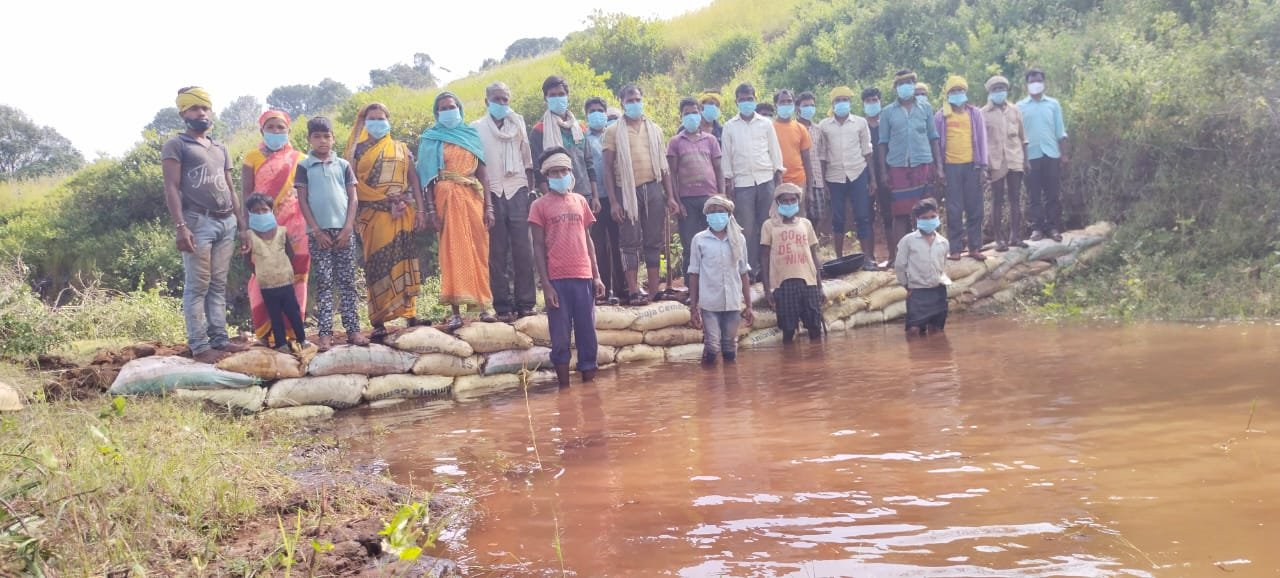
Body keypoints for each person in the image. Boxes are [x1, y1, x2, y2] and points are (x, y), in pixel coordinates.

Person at [161, 87, 249, 363]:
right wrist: (180, 226)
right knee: (198, 285)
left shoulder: (220, 147)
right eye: (195, 109)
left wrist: (242, 224)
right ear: (183, 113)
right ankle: (199, 346)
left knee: (218, 284)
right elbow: (171, 187)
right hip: (198, 221)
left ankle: (220, 340)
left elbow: (230, 187)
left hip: (226, 222)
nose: (202, 113)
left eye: (205, 108)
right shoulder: (177, 145)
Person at [345, 103, 427, 343]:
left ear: (388, 121)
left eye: (381, 118)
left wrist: (420, 209)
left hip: (401, 213)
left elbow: (413, 179)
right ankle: (378, 321)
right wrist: (383, 200)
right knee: (377, 263)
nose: (377, 122)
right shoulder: (355, 152)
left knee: (405, 260)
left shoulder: (400, 148)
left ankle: (410, 314)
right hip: (373, 215)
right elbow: (352, 185)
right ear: (364, 122)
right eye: (372, 118)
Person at [418, 92, 500, 330]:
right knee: (451, 253)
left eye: (451, 106)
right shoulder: (431, 139)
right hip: (445, 200)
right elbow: (427, 179)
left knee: (479, 251)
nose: (448, 111)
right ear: (436, 112)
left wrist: (490, 206)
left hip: (473, 198)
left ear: (460, 108)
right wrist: (431, 210)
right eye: (443, 108)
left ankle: (485, 307)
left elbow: (483, 174)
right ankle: (455, 313)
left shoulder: (471, 135)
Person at [529, 148, 607, 387]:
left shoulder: (581, 201)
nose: (560, 175)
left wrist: (597, 276)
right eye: (555, 172)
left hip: (583, 276)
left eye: (564, 170)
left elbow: (588, 240)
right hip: (557, 280)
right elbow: (538, 247)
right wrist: (546, 285)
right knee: (560, 339)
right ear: (547, 176)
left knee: (588, 337)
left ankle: (589, 390)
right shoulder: (539, 206)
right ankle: (564, 389)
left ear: (571, 172)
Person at [296, 116, 367, 349]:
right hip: (319, 234)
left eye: (327, 136)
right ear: (309, 140)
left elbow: (353, 198)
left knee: (347, 282)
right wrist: (316, 230)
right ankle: (325, 334)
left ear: (333, 138)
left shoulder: (343, 165)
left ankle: (354, 331)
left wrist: (348, 227)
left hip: (344, 231)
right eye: (317, 137)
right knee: (325, 283)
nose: (322, 141)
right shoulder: (304, 167)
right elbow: (303, 201)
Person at [602, 84, 675, 305]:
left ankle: (654, 291)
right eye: (630, 100)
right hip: (627, 191)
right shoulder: (613, 131)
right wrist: (614, 202)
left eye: (638, 99)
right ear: (622, 102)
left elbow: (664, 167)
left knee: (654, 241)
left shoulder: (655, 129)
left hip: (653, 188)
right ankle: (633, 291)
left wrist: (669, 195)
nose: (635, 103)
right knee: (629, 242)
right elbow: (607, 168)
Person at [241, 110, 308, 346]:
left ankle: (295, 333)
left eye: (281, 127)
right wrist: (244, 229)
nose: (276, 132)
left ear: (288, 130)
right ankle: (265, 332)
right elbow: (246, 196)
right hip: (261, 226)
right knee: (260, 277)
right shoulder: (251, 158)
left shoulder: (301, 158)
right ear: (262, 130)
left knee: (297, 278)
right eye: (271, 127)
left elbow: (306, 194)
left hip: (296, 229)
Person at [473, 81, 537, 321]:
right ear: (486, 101)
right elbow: (477, 164)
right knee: (497, 252)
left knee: (524, 249)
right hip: (492, 191)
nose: (501, 104)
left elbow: (527, 159)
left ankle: (526, 303)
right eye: (497, 99)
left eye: (505, 100)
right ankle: (502, 305)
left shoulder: (517, 123)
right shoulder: (477, 127)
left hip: (518, 188)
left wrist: (530, 192)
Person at [879, 70, 943, 266]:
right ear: (896, 87)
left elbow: (933, 138)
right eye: (901, 83)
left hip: (923, 165)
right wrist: (883, 171)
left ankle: (930, 254)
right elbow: (882, 143)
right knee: (900, 214)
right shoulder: (888, 112)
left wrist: (939, 166)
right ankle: (903, 257)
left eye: (909, 82)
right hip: (898, 168)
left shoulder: (925, 108)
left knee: (927, 212)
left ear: (914, 84)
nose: (905, 86)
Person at [722, 82, 785, 279]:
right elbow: (727, 156)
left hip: (766, 179)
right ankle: (749, 269)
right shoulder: (729, 127)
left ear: (755, 99)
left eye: (750, 99)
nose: (746, 102)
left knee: (767, 224)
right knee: (747, 228)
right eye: (742, 100)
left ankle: (769, 269)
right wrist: (728, 181)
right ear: (736, 102)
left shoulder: (766, 124)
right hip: (742, 184)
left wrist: (779, 178)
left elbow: (774, 151)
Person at [688, 195, 753, 364]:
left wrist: (749, 305)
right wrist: (693, 307)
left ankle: (731, 385)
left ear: (729, 214)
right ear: (707, 215)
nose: (717, 215)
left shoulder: (739, 239)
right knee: (712, 346)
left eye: (721, 211)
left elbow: (743, 272)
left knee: (730, 347)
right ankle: (708, 384)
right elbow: (694, 274)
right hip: (710, 303)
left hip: (732, 301)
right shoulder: (700, 240)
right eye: (712, 212)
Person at [667, 97, 724, 288]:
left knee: (713, 242)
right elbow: (672, 174)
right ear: (681, 117)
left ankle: (713, 283)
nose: (691, 116)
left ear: (700, 114)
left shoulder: (711, 140)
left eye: (694, 112)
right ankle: (692, 287)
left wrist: (721, 196)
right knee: (690, 245)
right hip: (687, 200)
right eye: (687, 114)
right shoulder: (675, 142)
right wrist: (676, 200)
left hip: (710, 199)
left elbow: (718, 169)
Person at [818, 86, 876, 265]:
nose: (842, 103)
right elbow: (822, 155)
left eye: (845, 100)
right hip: (834, 177)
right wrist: (823, 182)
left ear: (850, 102)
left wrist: (872, 178)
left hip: (858, 173)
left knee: (862, 215)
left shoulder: (860, 123)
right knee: (838, 218)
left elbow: (867, 151)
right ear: (832, 104)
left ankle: (866, 257)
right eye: (838, 100)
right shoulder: (824, 126)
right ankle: (839, 257)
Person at [244, 193, 309, 353]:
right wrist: (260, 272)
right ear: (250, 214)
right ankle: (281, 344)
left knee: (293, 312)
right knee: (274, 315)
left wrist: (285, 268)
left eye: (264, 210)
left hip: (286, 281)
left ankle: (303, 340)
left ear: (271, 211)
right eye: (256, 211)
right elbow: (247, 261)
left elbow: (291, 254)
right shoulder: (249, 236)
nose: (260, 213)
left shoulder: (282, 232)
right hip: (267, 285)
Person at [761, 183, 824, 343]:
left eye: (792, 200)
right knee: (788, 330)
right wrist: (767, 290)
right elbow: (765, 258)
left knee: (815, 328)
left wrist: (820, 286)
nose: (789, 204)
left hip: (808, 283)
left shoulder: (806, 224)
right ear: (778, 203)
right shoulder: (769, 225)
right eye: (785, 201)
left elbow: (813, 255)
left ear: (798, 201)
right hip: (783, 284)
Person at [934, 75, 988, 261]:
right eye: (953, 91)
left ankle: (975, 247)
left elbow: (982, 140)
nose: (957, 94)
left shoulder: (975, 114)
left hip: (972, 166)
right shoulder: (941, 116)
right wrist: (939, 169)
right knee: (954, 209)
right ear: (948, 95)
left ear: (965, 92)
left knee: (975, 208)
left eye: (960, 90)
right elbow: (937, 144)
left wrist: (983, 168)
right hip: (951, 167)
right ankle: (955, 249)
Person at [530, 76, 600, 209]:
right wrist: (549, 200)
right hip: (556, 197)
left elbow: (589, 164)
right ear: (546, 98)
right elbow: (538, 170)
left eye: (561, 94)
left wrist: (595, 196)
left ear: (567, 96)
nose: (558, 98)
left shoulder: (580, 127)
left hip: (585, 195)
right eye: (553, 95)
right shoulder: (539, 130)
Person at [1018, 68, 1068, 242]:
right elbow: (1018, 135)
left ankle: (1053, 227)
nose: (1035, 84)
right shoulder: (1020, 107)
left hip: (1051, 153)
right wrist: (1021, 159)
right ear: (1027, 85)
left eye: (1038, 80)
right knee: (1034, 195)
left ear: (1044, 83)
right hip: (1031, 156)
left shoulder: (1053, 104)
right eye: (1032, 81)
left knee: (1052, 194)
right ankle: (1037, 228)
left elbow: (1060, 130)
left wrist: (1063, 155)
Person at [584, 97, 625, 303]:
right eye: (592, 111)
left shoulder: (616, 134)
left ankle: (622, 289)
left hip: (616, 197)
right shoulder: (583, 138)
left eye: (600, 110)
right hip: (596, 198)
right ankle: (604, 290)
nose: (597, 114)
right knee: (599, 246)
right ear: (586, 115)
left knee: (619, 243)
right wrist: (591, 196)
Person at [981, 75, 1028, 251]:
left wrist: (1026, 159)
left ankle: (1015, 236)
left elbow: (1023, 137)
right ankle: (999, 239)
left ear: (1007, 90)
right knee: (997, 199)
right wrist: (983, 165)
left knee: (1015, 198)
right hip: (995, 161)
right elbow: (981, 141)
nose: (999, 92)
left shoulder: (1015, 110)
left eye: (1002, 88)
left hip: (1015, 158)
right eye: (995, 89)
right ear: (990, 92)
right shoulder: (983, 113)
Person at [895, 198, 949, 336]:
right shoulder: (908, 241)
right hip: (917, 292)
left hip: (938, 292)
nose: (929, 220)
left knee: (937, 331)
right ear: (917, 220)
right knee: (913, 331)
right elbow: (900, 266)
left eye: (932, 217)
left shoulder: (943, 242)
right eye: (924, 218)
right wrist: (906, 286)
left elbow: (943, 267)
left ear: (938, 216)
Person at [862, 87, 893, 261]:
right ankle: (869, 258)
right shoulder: (860, 125)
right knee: (866, 215)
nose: (872, 103)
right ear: (863, 104)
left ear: (880, 101)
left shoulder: (887, 123)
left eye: (875, 100)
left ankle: (894, 255)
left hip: (888, 173)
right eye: (868, 101)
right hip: (865, 175)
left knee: (890, 214)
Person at [772, 90, 814, 197]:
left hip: (799, 181)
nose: (786, 104)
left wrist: (809, 188)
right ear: (776, 105)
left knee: (799, 213)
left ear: (794, 105)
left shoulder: (801, 128)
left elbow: (807, 160)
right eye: (782, 102)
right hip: (776, 182)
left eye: (789, 101)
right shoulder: (770, 128)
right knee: (777, 213)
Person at [796, 91, 826, 227]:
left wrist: (824, 182)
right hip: (798, 179)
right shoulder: (793, 128)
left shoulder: (818, 130)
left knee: (817, 217)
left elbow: (822, 156)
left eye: (812, 105)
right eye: (805, 105)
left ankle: (813, 247)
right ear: (798, 108)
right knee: (799, 218)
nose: (809, 108)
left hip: (817, 180)